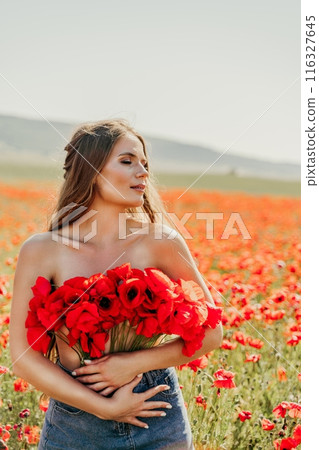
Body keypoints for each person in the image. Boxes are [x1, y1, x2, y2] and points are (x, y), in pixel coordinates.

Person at [9, 119, 223, 450]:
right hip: (75, 423)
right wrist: (106, 407)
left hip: (155, 413)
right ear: (90, 170)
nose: (143, 172)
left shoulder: (161, 242)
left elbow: (211, 332)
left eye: (144, 163)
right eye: (127, 161)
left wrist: (133, 364)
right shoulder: (42, 250)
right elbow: (23, 357)